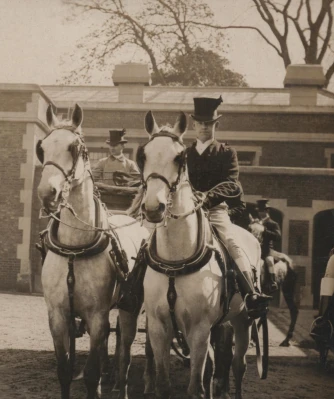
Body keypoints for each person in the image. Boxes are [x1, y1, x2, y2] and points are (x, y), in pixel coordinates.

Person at [119, 96, 272, 319]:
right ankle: (132, 292)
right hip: (181, 211)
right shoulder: (182, 154)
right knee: (149, 240)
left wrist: (208, 197)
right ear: (194, 125)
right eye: (200, 123)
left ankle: (251, 293)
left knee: (231, 242)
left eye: (208, 124)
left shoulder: (226, 153)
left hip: (214, 211)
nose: (203, 128)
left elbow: (232, 184)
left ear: (215, 125)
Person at [255, 199, 281, 293]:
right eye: (258, 211)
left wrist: (264, 231)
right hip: (255, 249)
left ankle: (273, 281)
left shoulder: (273, 223)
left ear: (267, 211)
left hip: (267, 250)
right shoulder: (256, 222)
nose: (259, 213)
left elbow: (278, 236)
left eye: (261, 211)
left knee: (269, 261)